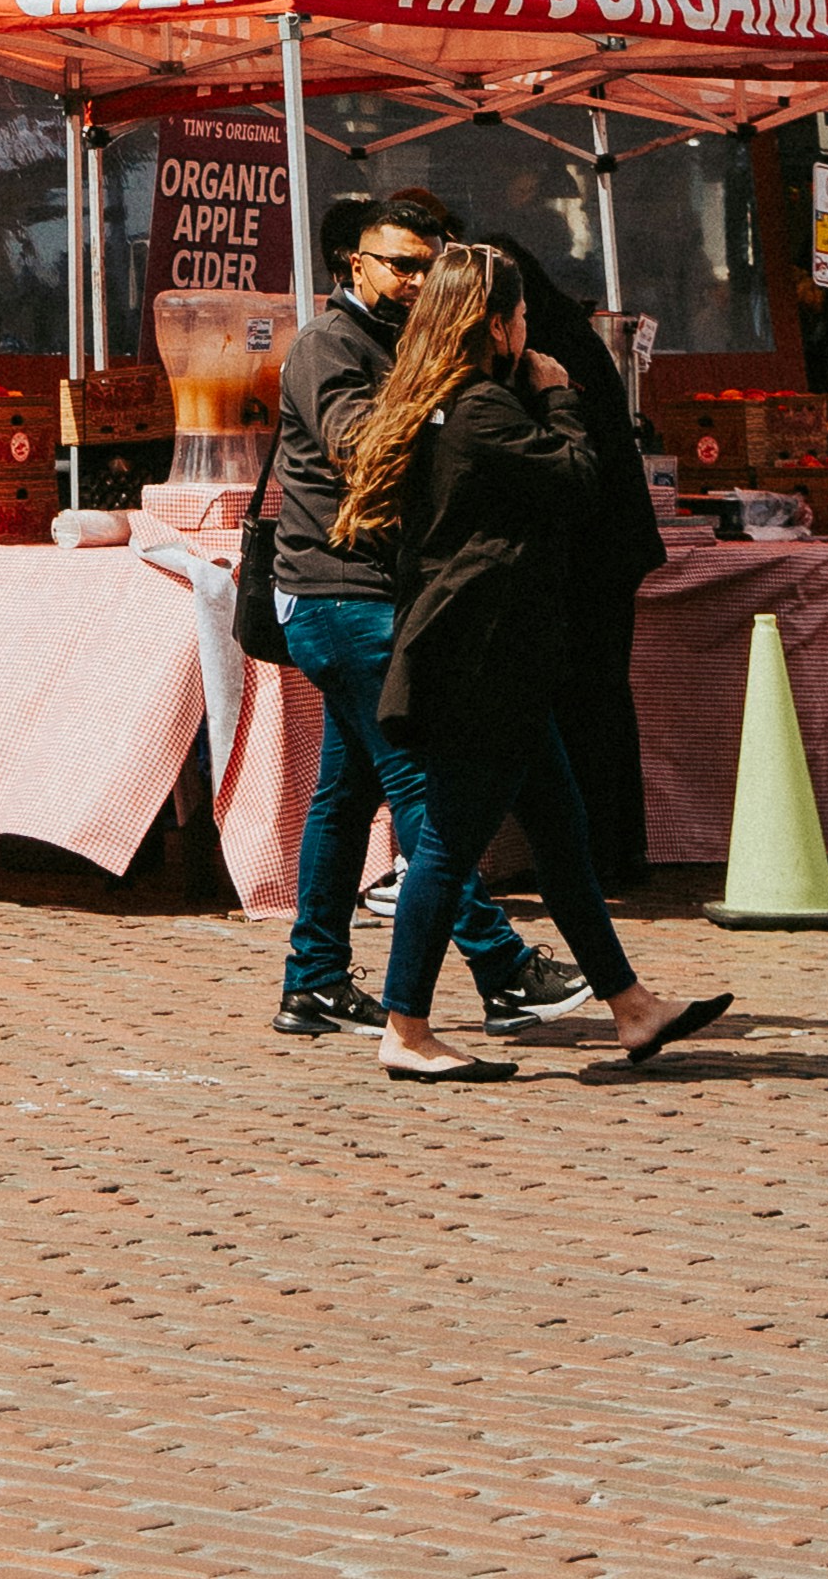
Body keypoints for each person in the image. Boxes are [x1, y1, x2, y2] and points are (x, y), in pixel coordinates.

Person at [342, 241, 734, 1083]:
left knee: (561, 837)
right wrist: (557, 398)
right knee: (447, 845)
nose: (530, 331)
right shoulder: (479, 409)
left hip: (495, 652)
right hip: (483, 658)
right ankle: (404, 1026)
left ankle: (630, 1005)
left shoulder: (445, 401)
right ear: (494, 325)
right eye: (520, 317)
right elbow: (574, 479)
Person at [267, 191, 587, 1043]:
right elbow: (361, 448)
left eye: (425, 264)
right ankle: (501, 964)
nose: (413, 279)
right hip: (341, 594)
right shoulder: (328, 345)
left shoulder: (398, 345)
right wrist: (461, 415)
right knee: (422, 791)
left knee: (343, 794)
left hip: (377, 594)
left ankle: (314, 980)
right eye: (397, 263)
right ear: (353, 265)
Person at [494, 236, 667, 890]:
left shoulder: (548, 350)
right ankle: (612, 852)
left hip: (588, 553)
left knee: (582, 701)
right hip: (604, 548)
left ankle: (594, 856)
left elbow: (566, 460)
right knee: (597, 700)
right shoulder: (566, 332)